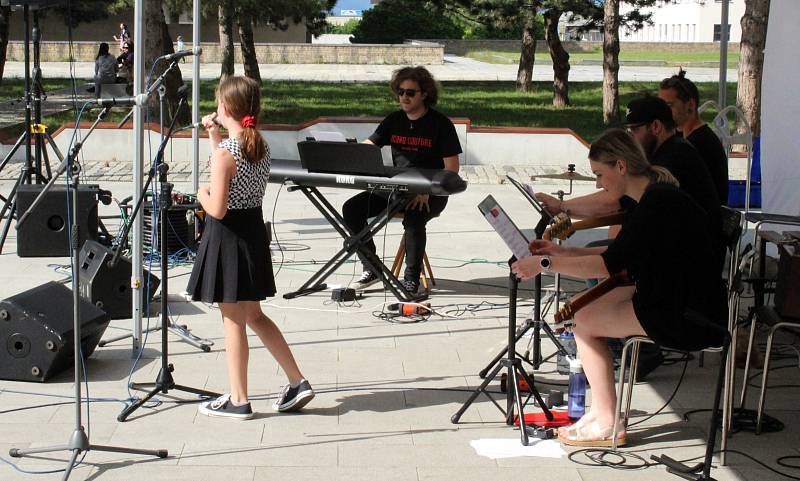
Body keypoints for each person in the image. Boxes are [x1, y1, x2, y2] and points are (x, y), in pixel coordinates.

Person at [511, 129, 727, 447]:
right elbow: (617, 257)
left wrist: (546, 264)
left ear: (621, 167)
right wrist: (560, 253)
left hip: (686, 314)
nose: (599, 183)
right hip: (682, 299)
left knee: (581, 320)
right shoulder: (651, 197)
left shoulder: (655, 203)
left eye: (600, 174)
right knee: (582, 311)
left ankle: (606, 420)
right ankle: (601, 414)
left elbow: (608, 265)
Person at [187, 76, 314, 419]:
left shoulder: (228, 154)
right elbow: (228, 170)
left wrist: (198, 194)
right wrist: (215, 137)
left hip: (227, 238)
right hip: (252, 233)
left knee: (233, 321)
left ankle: (239, 399)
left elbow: (216, 208)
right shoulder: (258, 145)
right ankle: (297, 380)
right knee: (254, 314)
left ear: (225, 108)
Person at [343, 66, 462, 294]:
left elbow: (452, 170)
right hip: (396, 189)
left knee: (415, 218)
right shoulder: (394, 120)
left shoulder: (440, 124)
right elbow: (369, 147)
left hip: (432, 192)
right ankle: (372, 268)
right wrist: (347, 152)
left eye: (410, 92)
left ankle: (411, 279)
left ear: (425, 93)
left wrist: (427, 189)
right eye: (400, 92)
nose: (404, 97)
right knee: (351, 209)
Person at [659, 69, 729, 204]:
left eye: (669, 105)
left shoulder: (701, 143)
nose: (663, 112)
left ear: (690, 105)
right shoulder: (682, 138)